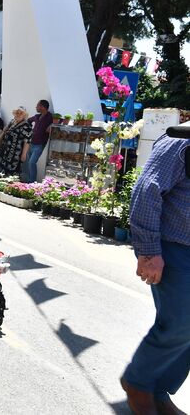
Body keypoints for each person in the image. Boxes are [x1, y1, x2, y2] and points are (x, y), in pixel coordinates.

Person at [120, 133, 190, 415]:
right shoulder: (182, 140)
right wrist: (148, 251)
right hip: (176, 248)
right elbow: (147, 190)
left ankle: (158, 391)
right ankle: (138, 383)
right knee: (180, 322)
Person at [0, 106, 32, 177]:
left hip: (16, 153)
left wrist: (24, 154)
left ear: (24, 116)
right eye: (17, 113)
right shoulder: (12, 122)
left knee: (13, 171)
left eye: (21, 113)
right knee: (3, 168)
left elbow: (27, 141)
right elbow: (5, 130)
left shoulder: (26, 126)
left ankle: (11, 185)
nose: (18, 114)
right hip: (6, 151)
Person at [25, 99, 53, 183]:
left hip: (39, 144)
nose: (36, 107)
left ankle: (32, 182)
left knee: (32, 163)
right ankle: (29, 181)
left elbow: (60, 121)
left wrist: (51, 125)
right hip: (31, 143)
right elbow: (28, 121)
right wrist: (29, 131)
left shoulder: (49, 117)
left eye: (37, 105)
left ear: (42, 107)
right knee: (29, 163)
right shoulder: (37, 116)